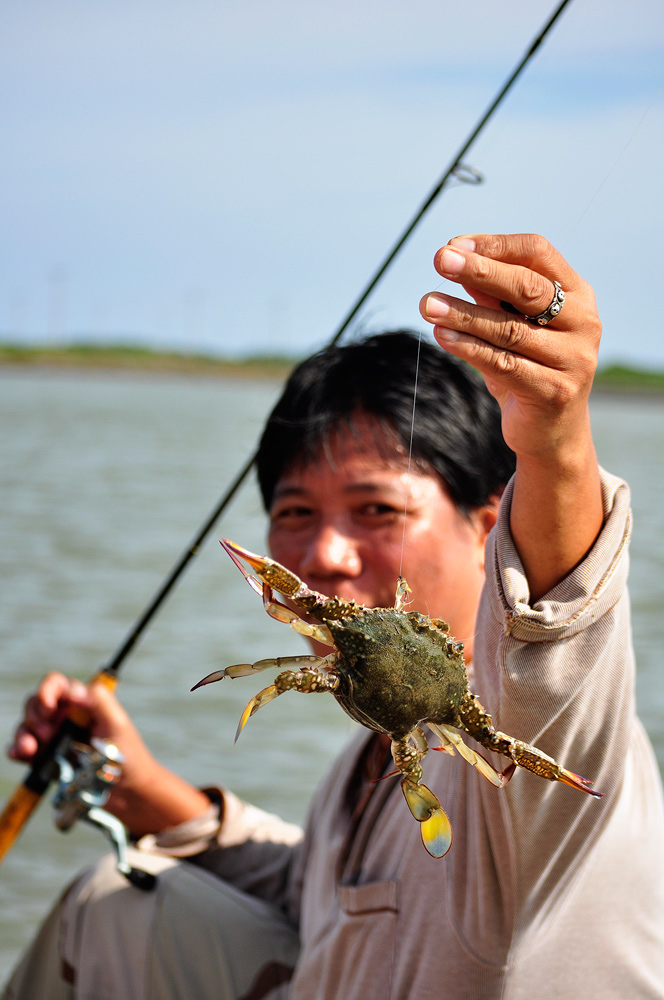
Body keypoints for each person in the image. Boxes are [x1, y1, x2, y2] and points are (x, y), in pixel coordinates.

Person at [4, 233, 664, 999]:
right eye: (294, 510)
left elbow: (557, 625)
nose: (326, 554)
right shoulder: (367, 764)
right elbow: (320, 893)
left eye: (376, 509)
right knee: (114, 903)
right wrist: (149, 794)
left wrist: (556, 442)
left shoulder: (517, 753)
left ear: (490, 530)